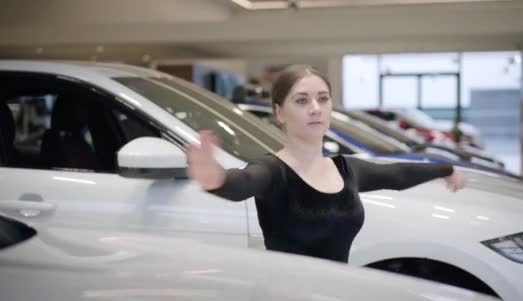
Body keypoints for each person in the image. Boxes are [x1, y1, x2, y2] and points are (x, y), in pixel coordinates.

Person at [186, 64, 465, 263]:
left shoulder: (345, 169)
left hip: (335, 299)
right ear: (279, 112)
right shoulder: (272, 171)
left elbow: (396, 174)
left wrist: (445, 168)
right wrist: (214, 178)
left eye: (323, 99)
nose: (315, 108)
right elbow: (240, 183)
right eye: (301, 100)